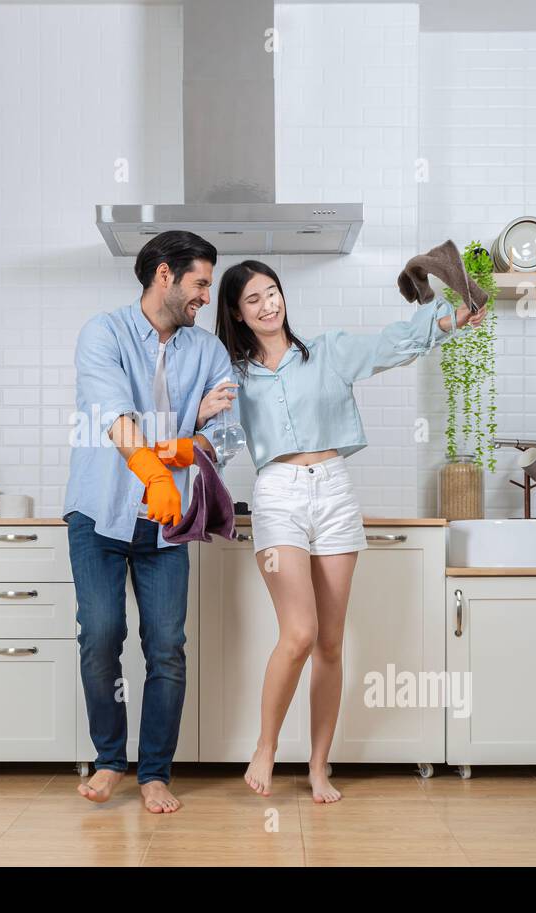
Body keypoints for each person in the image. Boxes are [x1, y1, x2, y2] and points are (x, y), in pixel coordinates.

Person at [214, 259, 484, 803]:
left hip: (334, 491)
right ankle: (266, 745)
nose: (269, 306)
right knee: (299, 634)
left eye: (273, 292)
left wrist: (449, 320)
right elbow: (216, 441)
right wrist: (203, 416)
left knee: (330, 644)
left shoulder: (329, 351)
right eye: (254, 301)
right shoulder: (233, 376)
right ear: (238, 315)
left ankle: (318, 766)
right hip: (278, 495)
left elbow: (392, 343)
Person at [65, 230, 238, 813]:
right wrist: (155, 469)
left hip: (168, 526)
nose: (204, 297)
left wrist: (191, 447)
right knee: (101, 635)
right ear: (164, 275)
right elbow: (112, 413)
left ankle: (155, 772)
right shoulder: (103, 334)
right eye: (199, 284)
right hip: (101, 512)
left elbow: (235, 431)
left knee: (166, 646)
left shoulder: (208, 350)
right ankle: (111, 759)